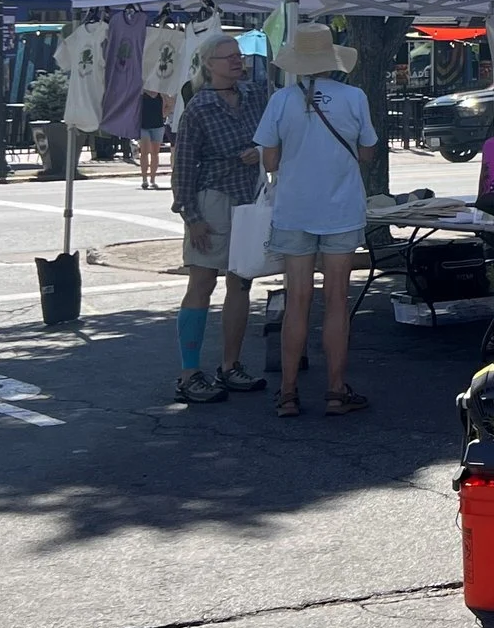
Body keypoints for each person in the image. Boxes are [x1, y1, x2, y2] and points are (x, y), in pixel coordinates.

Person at [255, 24, 379, 417]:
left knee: (297, 302)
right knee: (337, 302)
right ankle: (335, 391)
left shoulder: (281, 100)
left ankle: (289, 393)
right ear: (332, 60)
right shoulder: (354, 96)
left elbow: (270, 160)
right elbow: (368, 152)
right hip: (340, 209)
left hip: (294, 210)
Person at [168, 36, 271, 404]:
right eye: (228, 57)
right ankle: (189, 372)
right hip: (213, 200)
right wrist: (191, 216)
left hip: (248, 200)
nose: (236, 62)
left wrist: (258, 152)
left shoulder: (255, 95)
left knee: (240, 283)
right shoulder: (199, 107)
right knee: (202, 281)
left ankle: (230, 365)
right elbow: (182, 165)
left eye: (238, 56)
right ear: (208, 64)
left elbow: (275, 135)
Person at [136, 91, 165, 190]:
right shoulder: (141, 94)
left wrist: (163, 114)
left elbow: (169, 104)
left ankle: (153, 179)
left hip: (158, 125)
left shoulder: (161, 93)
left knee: (155, 153)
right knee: (144, 152)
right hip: (143, 125)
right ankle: (144, 179)